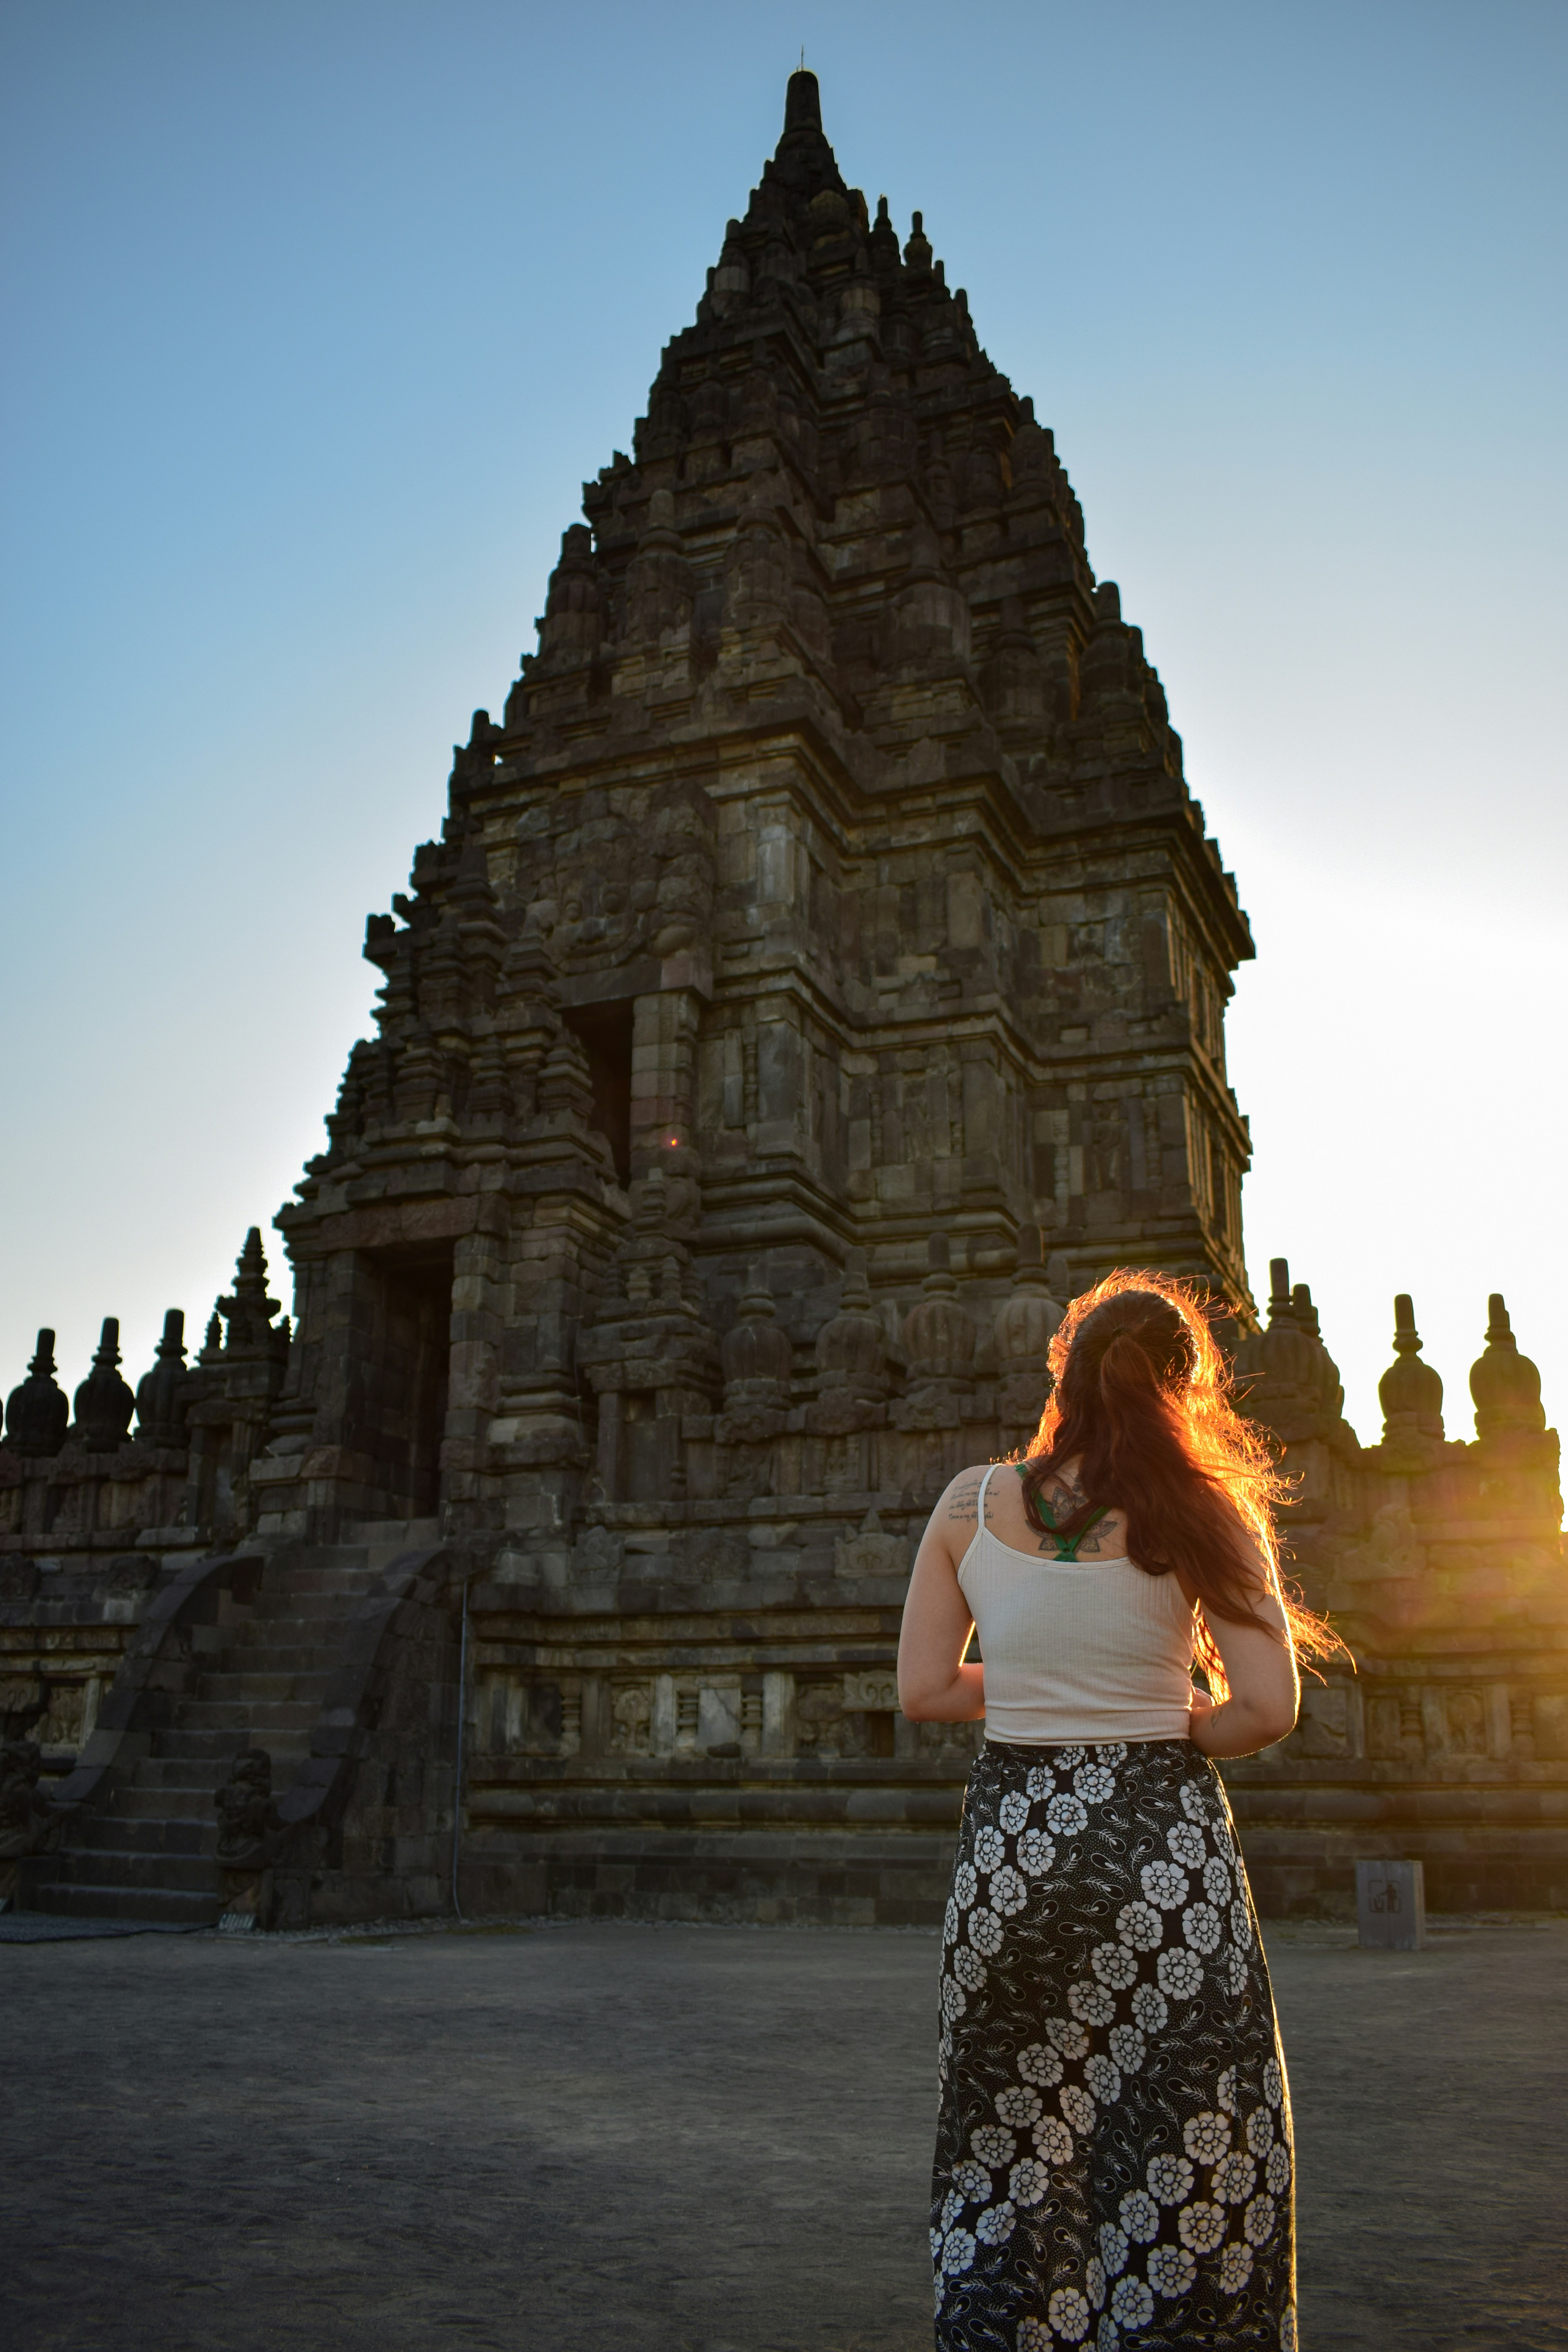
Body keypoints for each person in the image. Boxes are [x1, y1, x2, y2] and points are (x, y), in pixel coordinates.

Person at [898, 1270, 1339, 2352]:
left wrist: (1035, 1681)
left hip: (1015, 1862)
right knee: (1191, 2135)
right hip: (1160, 1854)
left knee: (1012, 2140)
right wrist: (1168, 1714)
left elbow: (926, 1691)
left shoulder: (968, 1504)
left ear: (1066, 1374)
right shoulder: (1203, 1506)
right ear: (1184, 1389)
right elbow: (1266, 1707)